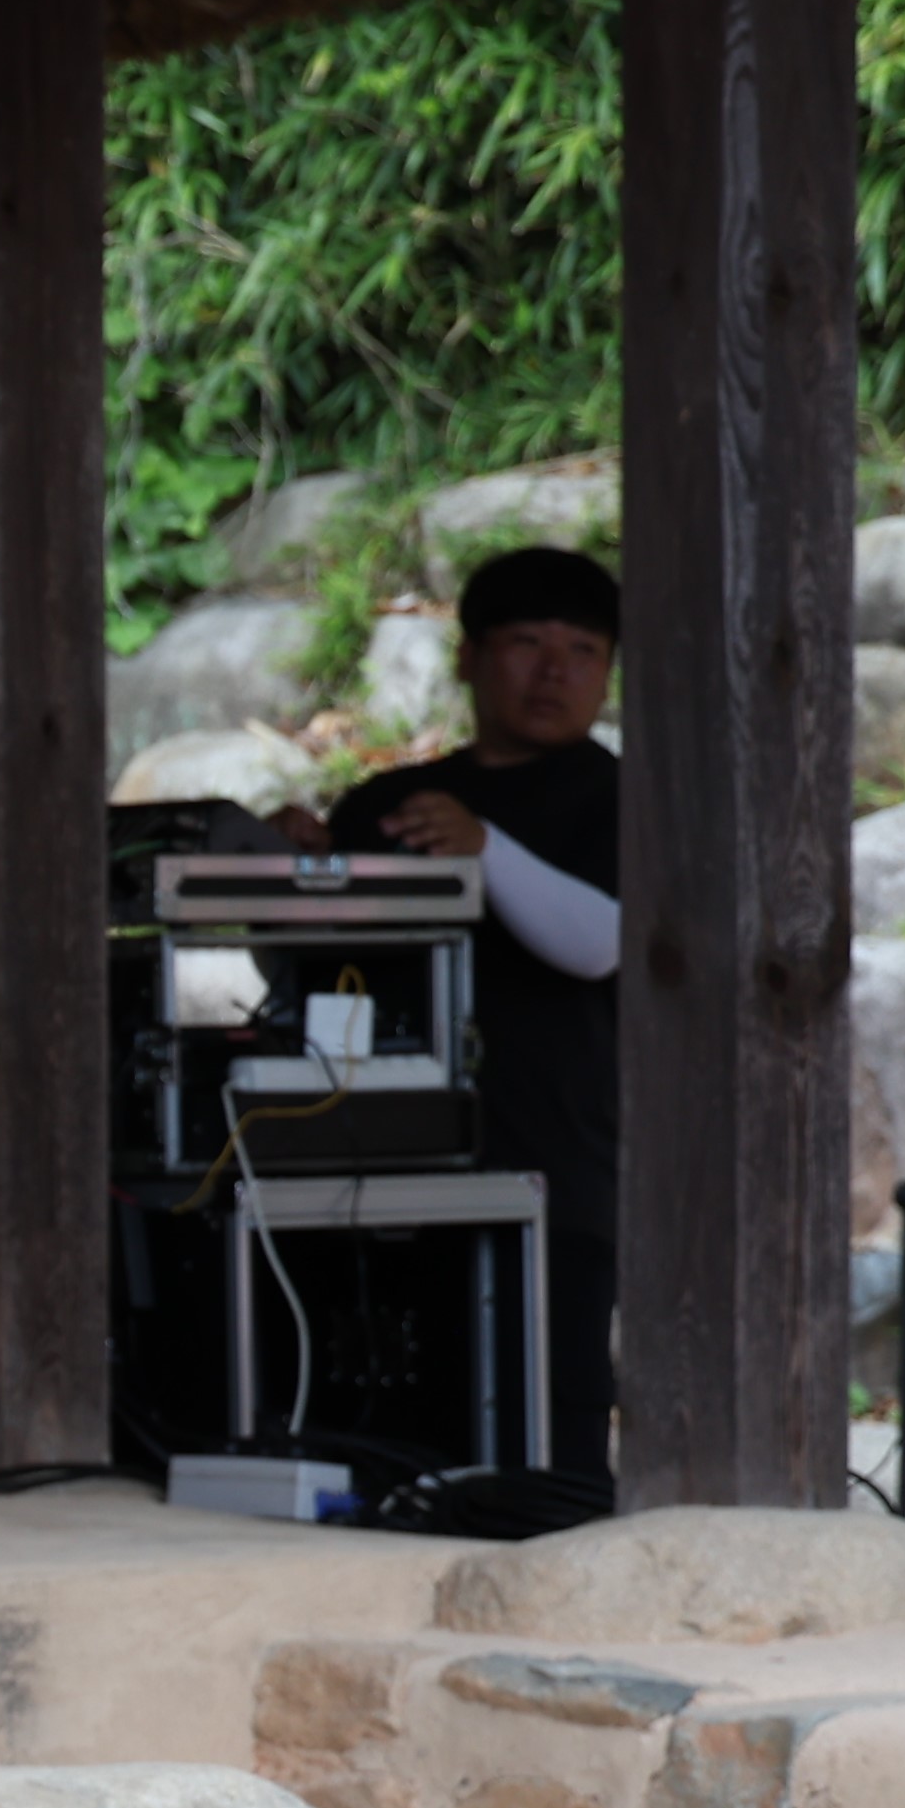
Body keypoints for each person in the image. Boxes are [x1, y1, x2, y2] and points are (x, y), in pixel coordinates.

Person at [299, 542, 621, 1457]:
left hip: (555, 1163)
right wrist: (283, 860)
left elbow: (600, 943)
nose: (553, 670)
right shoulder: (390, 803)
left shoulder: (623, 800)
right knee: (388, 1414)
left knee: (544, 1423)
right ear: (468, 657)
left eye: (583, 650)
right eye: (525, 641)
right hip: (377, 1167)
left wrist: (488, 851)